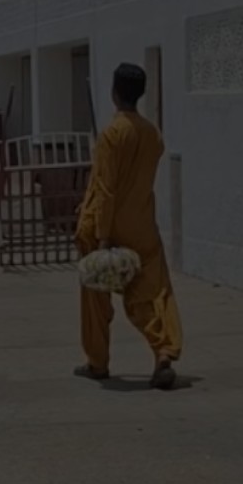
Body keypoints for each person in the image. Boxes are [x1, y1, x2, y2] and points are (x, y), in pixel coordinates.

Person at [74, 63, 183, 390]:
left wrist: (103, 236)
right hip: (143, 226)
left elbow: (106, 188)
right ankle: (164, 352)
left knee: (95, 293)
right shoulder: (152, 134)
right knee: (154, 292)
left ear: (114, 92)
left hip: (109, 227)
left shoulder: (111, 135)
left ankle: (98, 361)